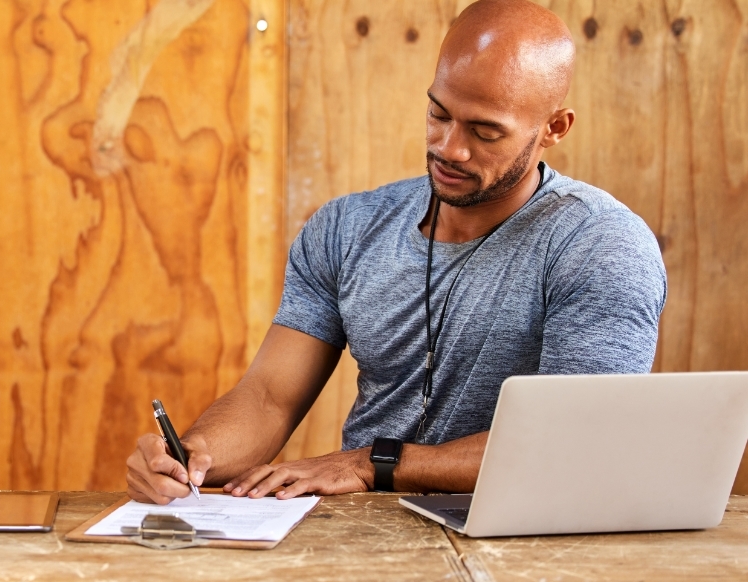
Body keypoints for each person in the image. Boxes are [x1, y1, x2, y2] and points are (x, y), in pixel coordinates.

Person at [126, 0, 667, 504]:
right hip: (366, 541)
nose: (449, 148)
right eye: (439, 114)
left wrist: (371, 464)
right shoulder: (346, 229)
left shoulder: (601, 246)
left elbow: (575, 446)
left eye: (485, 132)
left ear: (554, 128)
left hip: (522, 545)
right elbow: (269, 396)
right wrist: (190, 456)